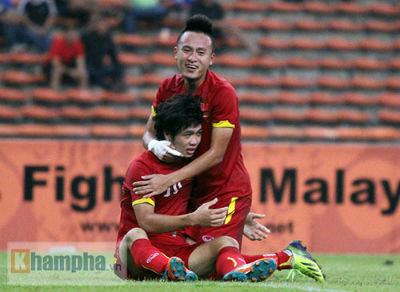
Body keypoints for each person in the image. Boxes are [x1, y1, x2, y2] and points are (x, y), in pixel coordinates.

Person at [133, 14, 325, 282]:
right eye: (187, 50)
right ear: (175, 52)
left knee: (216, 263)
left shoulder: (223, 93)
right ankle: (287, 256)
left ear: (211, 58)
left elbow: (216, 153)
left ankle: (285, 258)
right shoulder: (167, 88)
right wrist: (154, 145)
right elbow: (147, 133)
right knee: (194, 262)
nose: (192, 57)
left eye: (201, 52)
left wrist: (168, 179)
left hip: (225, 189)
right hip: (191, 192)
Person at [115, 94, 277, 282]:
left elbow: (197, 204)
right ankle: (167, 269)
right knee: (135, 233)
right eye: (188, 134)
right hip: (136, 258)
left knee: (227, 242)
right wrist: (192, 219)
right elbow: (146, 221)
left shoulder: (191, 165)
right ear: (168, 134)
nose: (194, 141)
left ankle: (239, 273)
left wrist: (239, 218)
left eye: (198, 133)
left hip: (178, 254)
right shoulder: (143, 166)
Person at [189, 0, 260, 55]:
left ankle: (253, 47)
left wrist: (219, 24)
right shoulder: (196, 6)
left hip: (216, 32)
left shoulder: (217, 7)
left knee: (231, 28)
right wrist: (218, 24)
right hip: (202, 32)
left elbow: (222, 21)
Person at [81, 17, 124, 91]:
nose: (102, 28)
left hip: (101, 65)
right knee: (94, 73)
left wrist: (115, 64)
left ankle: (117, 84)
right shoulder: (88, 36)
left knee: (118, 68)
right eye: (101, 25)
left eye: (104, 25)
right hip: (89, 63)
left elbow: (113, 55)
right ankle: (108, 87)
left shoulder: (108, 38)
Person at [45, 25, 88, 90]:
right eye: (71, 34)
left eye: (74, 34)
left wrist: (78, 70)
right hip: (53, 66)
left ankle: (83, 93)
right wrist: (70, 72)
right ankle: (54, 91)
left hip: (68, 64)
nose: (73, 36)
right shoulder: (57, 43)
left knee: (83, 72)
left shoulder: (78, 44)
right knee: (57, 71)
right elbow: (56, 64)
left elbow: (81, 62)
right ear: (65, 34)